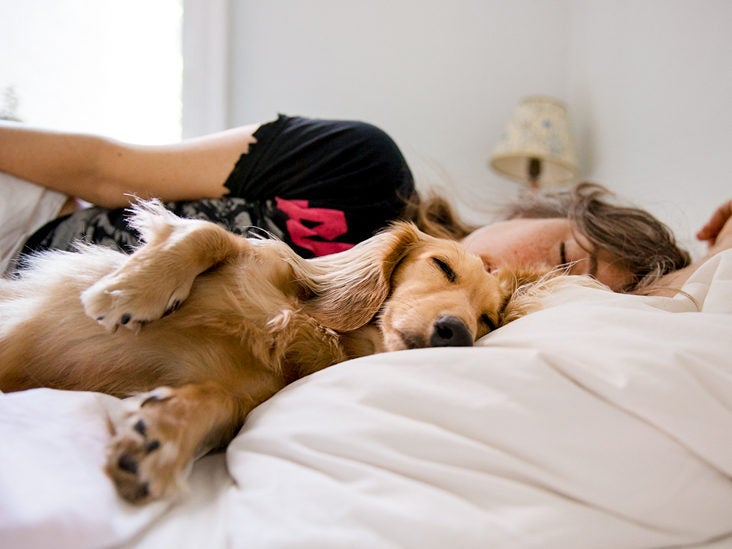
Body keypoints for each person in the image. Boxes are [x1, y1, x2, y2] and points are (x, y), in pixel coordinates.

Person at [1, 114, 729, 295]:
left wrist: (714, 265)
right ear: (534, 207)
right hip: (34, 217)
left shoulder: (414, 335)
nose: (534, 275)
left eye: (563, 289)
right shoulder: (360, 164)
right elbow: (108, 169)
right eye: (564, 253)